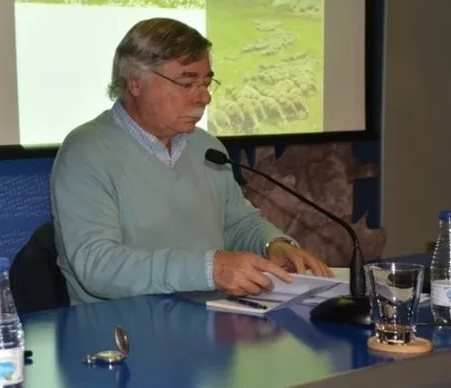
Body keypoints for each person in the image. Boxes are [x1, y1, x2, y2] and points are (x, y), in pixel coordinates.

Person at [50, 17, 333, 305]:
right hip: (121, 336)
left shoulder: (206, 146)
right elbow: (98, 266)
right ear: (135, 83)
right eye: (187, 83)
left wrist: (273, 244)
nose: (205, 97)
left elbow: (236, 222)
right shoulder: (86, 153)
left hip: (213, 324)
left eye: (207, 82)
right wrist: (210, 270)